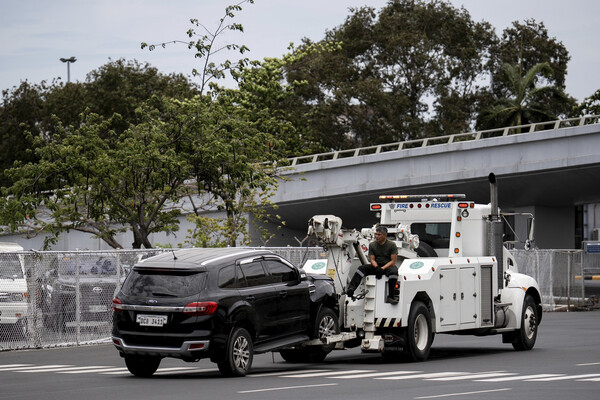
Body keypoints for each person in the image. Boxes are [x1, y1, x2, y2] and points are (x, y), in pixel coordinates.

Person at [346, 226, 399, 304]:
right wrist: (377, 267)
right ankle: (351, 289)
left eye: (379, 235)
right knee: (361, 269)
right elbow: (372, 259)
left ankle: (391, 297)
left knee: (394, 273)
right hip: (376, 266)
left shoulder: (392, 245)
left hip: (388, 266)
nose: (376, 236)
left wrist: (382, 268)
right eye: (376, 234)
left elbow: (393, 261)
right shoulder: (372, 245)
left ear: (385, 235)